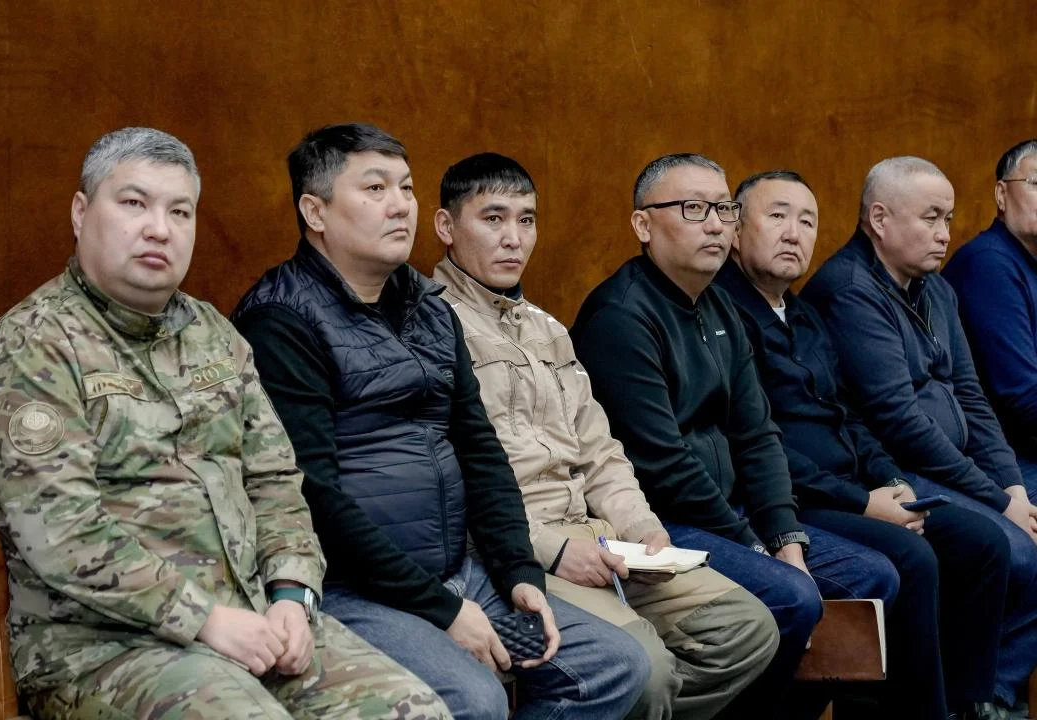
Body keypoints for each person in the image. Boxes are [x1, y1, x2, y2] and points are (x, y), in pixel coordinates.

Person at [0, 127, 451, 719]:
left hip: (254, 620)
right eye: (134, 203)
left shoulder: (213, 333)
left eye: (180, 211)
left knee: (415, 710)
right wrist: (204, 619)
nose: (158, 228)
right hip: (104, 649)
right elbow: (63, 534)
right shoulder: (33, 349)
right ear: (81, 213)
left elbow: (275, 481)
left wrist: (292, 594)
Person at [231, 123, 650, 720]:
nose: (400, 204)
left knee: (614, 665)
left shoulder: (429, 308)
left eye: (405, 187)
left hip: (463, 572)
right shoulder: (281, 318)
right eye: (374, 188)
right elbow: (311, 495)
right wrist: (443, 610)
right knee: (474, 700)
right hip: (354, 588)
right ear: (314, 211)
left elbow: (480, 451)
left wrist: (518, 571)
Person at [431, 152, 779, 720]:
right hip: (517, 548)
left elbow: (600, 452)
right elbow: (453, 480)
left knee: (746, 629)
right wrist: (553, 549)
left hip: (601, 536)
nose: (514, 238)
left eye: (526, 219)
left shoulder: (545, 327)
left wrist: (642, 526)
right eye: (493, 219)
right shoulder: (430, 327)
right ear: (447, 227)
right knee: (646, 671)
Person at [570, 153, 898, 720]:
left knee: (874, 575)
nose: (715, 224)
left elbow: (758, 435)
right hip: (662, 522)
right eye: (693, 209)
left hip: (728, 511)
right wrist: (756, 548)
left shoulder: (719, 303)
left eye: (723, 209)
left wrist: (786, 541)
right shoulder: (620, 316)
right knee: (792, 597)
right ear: (643, 224)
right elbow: (664, 465)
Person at [714, 169, 1011, 720]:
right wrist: (864, 501)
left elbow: (848, 415)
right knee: (912, 559)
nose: (794, 233)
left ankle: (968, 705)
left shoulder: (803, 313)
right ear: (734, 230)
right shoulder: (723, 315)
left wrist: (889, 480)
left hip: (856, 481)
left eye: (807, 221)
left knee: (980, 541)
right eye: (777, 216)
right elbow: (755, 445)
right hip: (795, 497)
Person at [802, 156, 1037, 712]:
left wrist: (1011, 486)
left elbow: (972, 398)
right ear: (879, 219)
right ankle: (970, 701)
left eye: (948, 219)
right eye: (930, 217)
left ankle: (986, 696)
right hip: (890, 469)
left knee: (1022, 535)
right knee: (1012, 550)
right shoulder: (849, 289)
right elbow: (898, 421)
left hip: (950, 464)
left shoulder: (935, 288)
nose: (944, 233)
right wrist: (996, 498)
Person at [943, 139, 1037, 485]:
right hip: (1001, 458)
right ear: (1001, 194)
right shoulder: (989, 263)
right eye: (1036, 183)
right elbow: (1024, 398)